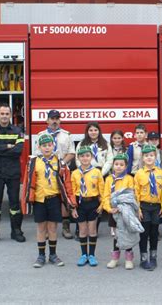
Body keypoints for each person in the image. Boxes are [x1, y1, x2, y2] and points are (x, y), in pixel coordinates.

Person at [20, 134, 76, 268]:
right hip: (40, 200)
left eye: (49, 145)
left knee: (52, 228)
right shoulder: (33, 162)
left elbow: (67, 183)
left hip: (54, 199)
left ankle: (53, 255)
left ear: (53, 146)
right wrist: (26, 201)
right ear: (39, 147)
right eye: (44, 146)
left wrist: (71, 203)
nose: (47, 148)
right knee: (41, 228)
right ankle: (40, 256)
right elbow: (27, 182)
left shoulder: (60, 163)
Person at [0, 104, 25, 244]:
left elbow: (18, 150)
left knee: (14, 203)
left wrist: (0, 148)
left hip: (13, 172)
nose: (4, 116)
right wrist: (8, 146)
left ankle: (16, 231)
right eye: (2, 113)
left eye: (7, 114)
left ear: (10, 115)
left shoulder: (17, 131)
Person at [37, 110, 76, 240]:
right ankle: (48, 230)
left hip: (62, 171)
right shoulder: (40, 135)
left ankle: (66, 227)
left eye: (57, 118)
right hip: (46, 172)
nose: (54, 121)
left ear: (60, 120)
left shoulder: (67, 135)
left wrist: (61, 164)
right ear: (47, 120)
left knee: (65, 199)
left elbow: (71, 153)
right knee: (48, 198)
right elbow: (36, 154)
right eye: (52, 118)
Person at [71, 145, 104, 267]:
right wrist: (73, 207)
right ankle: (83, 255)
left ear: (91, 157)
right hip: (80, 204)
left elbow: (102, 190)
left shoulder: (96, 172)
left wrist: (102, 205)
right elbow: (72, 191)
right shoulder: (75, 173)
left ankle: (92, 255)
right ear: (78, 158)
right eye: (82, 156)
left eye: (87, 156)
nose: (85, 158)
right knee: (83, 230)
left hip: (93, 203)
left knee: (92, 230)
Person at [102, 153, 136, 270]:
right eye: (116, 164)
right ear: (113, 165)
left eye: (121, 164)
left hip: (125, 211)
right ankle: (115, 258)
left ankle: (129, 259)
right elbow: (105, 195)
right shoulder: (108, 179)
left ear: (126, 166)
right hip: (113, 211)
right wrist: (109, 208)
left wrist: (122, 207)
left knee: (127, 234)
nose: (118, 167)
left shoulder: (129, 179)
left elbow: (130, 195)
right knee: (116, 235)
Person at [134, 144, 162, 270]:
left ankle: (153, 256)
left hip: (157, 206)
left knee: (154, 232)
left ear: (155, 157)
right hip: (144, 206)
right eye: (146, 156)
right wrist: (138, 209)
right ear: (142, 158)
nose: (149, 158)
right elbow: (136, 193)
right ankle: (143, 258)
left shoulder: (161, 173)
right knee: (144, 233)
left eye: (151, 155)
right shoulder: (139, 174)